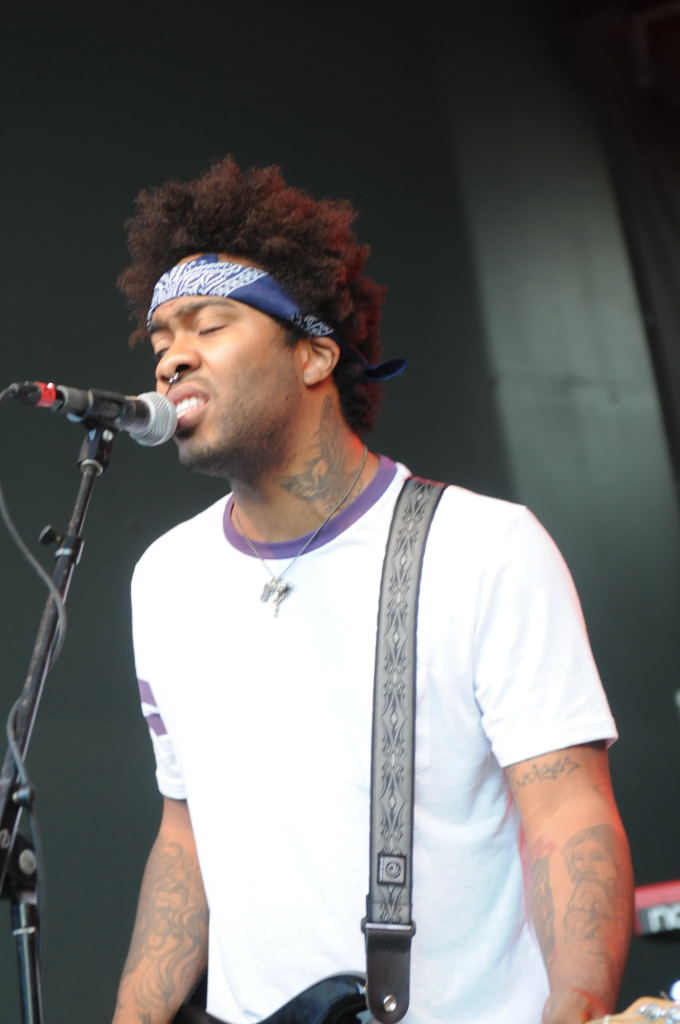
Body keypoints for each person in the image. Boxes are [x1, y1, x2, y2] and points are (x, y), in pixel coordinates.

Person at [111, 156, 633, 1024]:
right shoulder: (166, 577)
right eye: (162, 337)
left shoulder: (482, 548)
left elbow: (566, 813)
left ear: (315, 354)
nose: (172, 359)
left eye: (210, 325)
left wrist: (577, 1003)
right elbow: (187, 830)